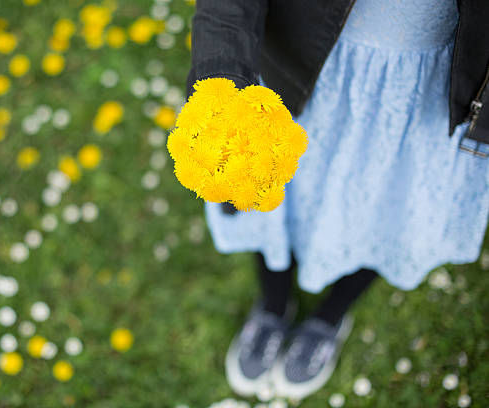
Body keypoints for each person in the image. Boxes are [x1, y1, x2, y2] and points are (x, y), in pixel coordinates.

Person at [186, 0, 489, 399]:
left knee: (389, 204)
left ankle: (330, 315)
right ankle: (274, 304)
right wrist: (222, 84)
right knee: (272, 189)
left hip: (434, 90)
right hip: (305, 65)